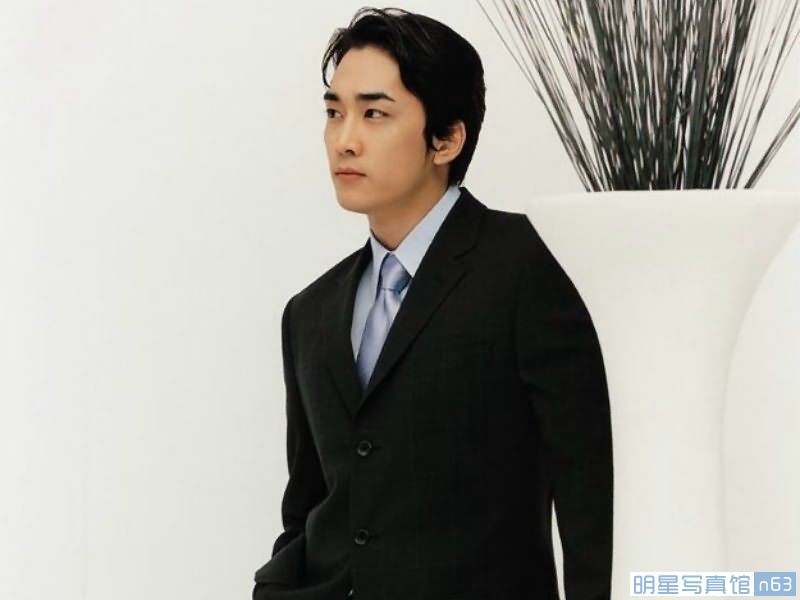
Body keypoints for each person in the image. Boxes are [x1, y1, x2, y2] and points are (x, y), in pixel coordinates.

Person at [253, 7, 613, 600]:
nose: (344, 139)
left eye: (374, 113)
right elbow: (308, 509)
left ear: (446, 139)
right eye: (334, 112)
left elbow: (590, 499)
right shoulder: (309, 313)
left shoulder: (531, 266)